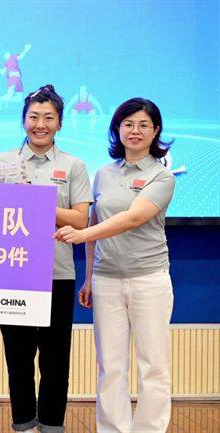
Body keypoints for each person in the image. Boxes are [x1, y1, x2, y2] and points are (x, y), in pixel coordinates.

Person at [54, 98, 175, 433]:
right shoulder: (104, 174)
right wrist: (89, 276)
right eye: (128, 124)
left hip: (148, 279)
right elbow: (95, 222)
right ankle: (112, 428)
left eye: (143, 125)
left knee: (153, 365)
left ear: (155, 131)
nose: (135, 131)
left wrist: (81, 233)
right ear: (117, 129)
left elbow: (133, 218)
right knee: (110, 365)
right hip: (106, 280)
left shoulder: (162, 176)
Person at [0, 85, 92, 433]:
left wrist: (36, 200)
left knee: (55, 357)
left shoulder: (73, 166)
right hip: (12, 273)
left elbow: (81, 219)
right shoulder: (1, 163)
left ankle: (51, 424)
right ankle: (22, 422)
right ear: (24, 120)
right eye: (34, 117)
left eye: (49, 118)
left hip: (56, 273)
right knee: (17, 356)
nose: (40, 124)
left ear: (59, 123)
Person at [0, 44, 32, 108]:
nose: (5, 56)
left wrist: (25, 49)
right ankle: (1, 99)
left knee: (19, 99)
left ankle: (5, 100)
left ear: (8, 53)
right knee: (9, 96)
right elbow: (2, 72)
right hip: (12, 78)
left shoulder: (13, 57)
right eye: (4, 55)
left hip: (18, 79)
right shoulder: (6, 63)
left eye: (6, 54)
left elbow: (20, 56)